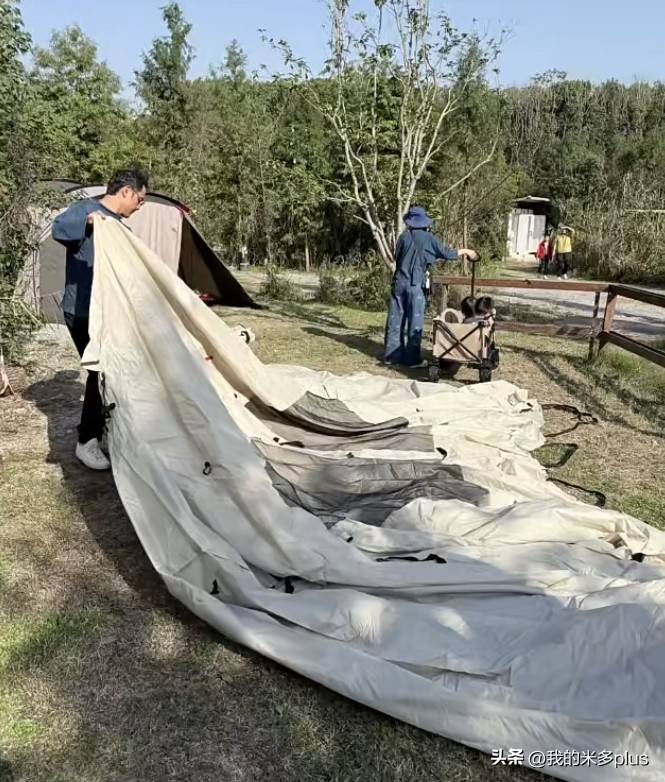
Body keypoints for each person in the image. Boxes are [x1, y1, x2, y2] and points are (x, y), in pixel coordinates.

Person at [52, 168, 149, 470]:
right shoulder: (87, 210)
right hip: (82, 311)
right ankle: (87, 441)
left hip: (111, 313)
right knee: (100, 370)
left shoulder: (122, 229)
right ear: (126, 192)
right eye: (140, 199)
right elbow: (59, 229)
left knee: (113, 371)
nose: (140, 206)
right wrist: (91, 224)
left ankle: (106, 430)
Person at [384, 205, 478, 366]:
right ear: (425, 222)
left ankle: (392, 357)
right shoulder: (430, 238)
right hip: (415, 285)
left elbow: (396, 258)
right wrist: (467, 251)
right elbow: (448, 253)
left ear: (410, 222)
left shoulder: (403, 237)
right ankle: (412, 359)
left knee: (395, 319)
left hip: (398, 282)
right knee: (415, 321)